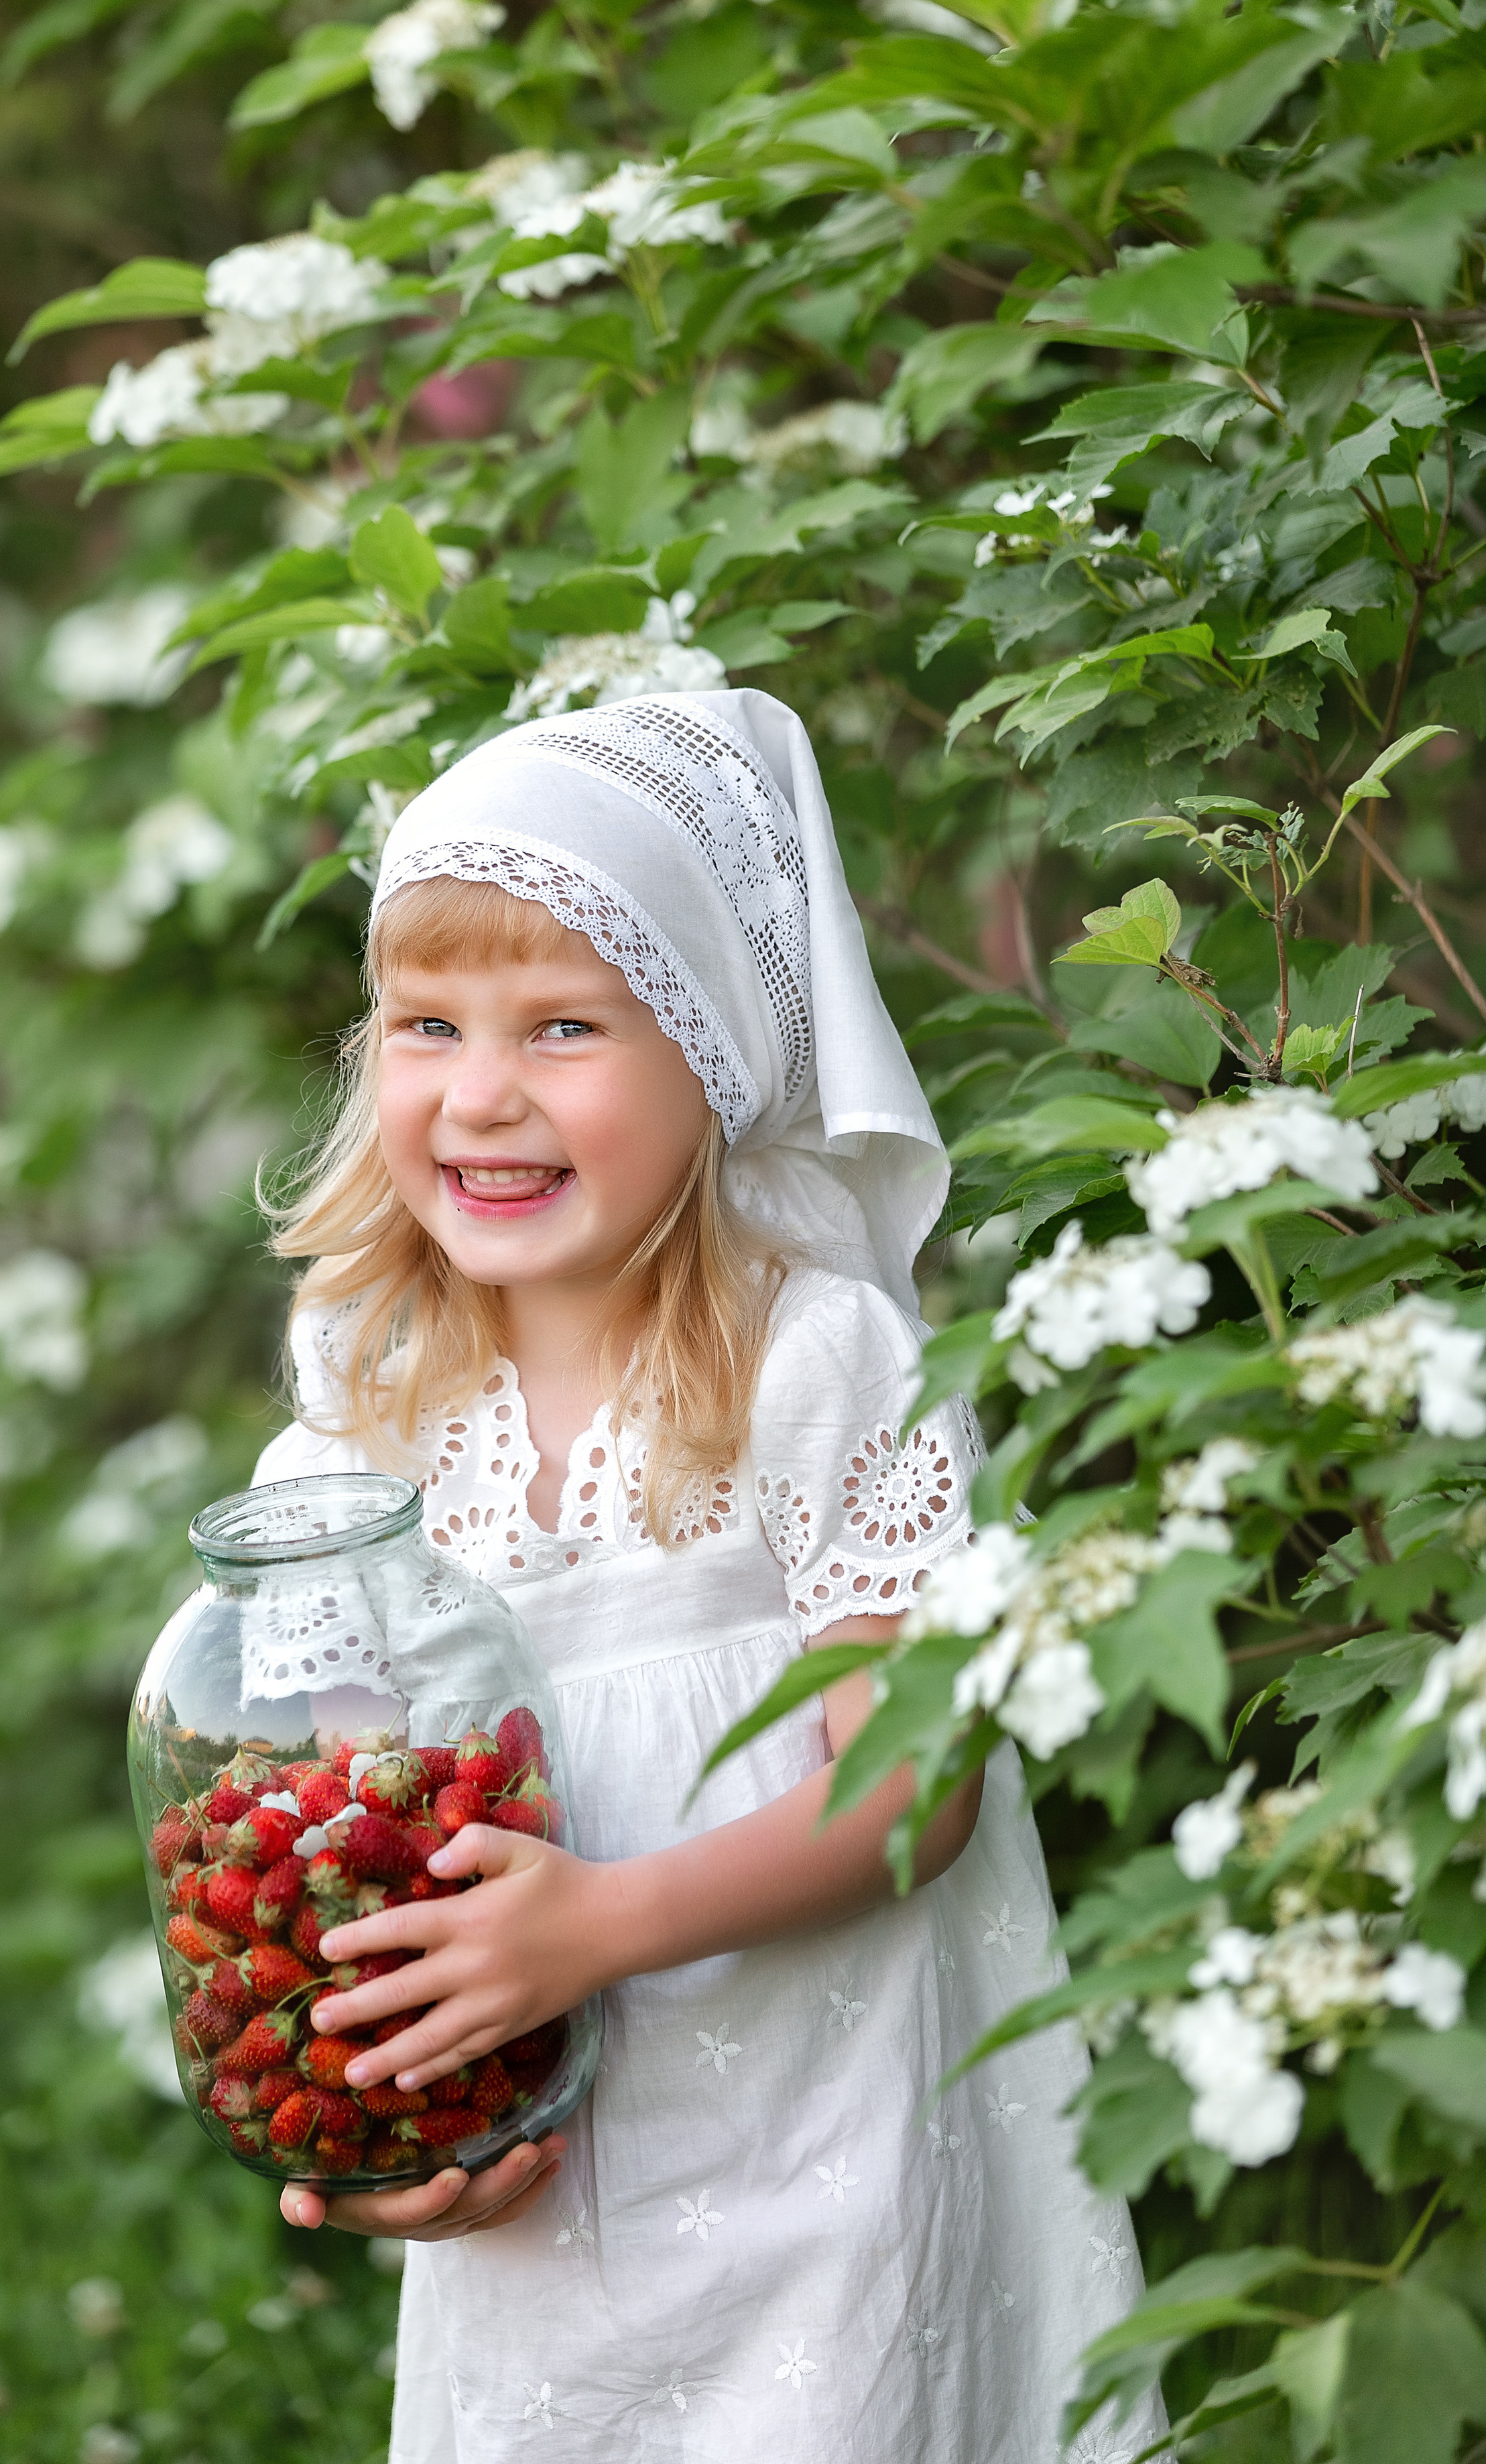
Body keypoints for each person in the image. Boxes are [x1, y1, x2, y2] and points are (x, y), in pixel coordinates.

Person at [253, 689, 1161, 2463]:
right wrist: (389, 2134)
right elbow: (348, 1849)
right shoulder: (361, 1419)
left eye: (567, 1027)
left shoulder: (818, 1367)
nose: (485, 1095)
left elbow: (914, 1789)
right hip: (548, 2178)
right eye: (428, 1024)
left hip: (832, 2152)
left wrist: (592, 1925)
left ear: (713, 1050)